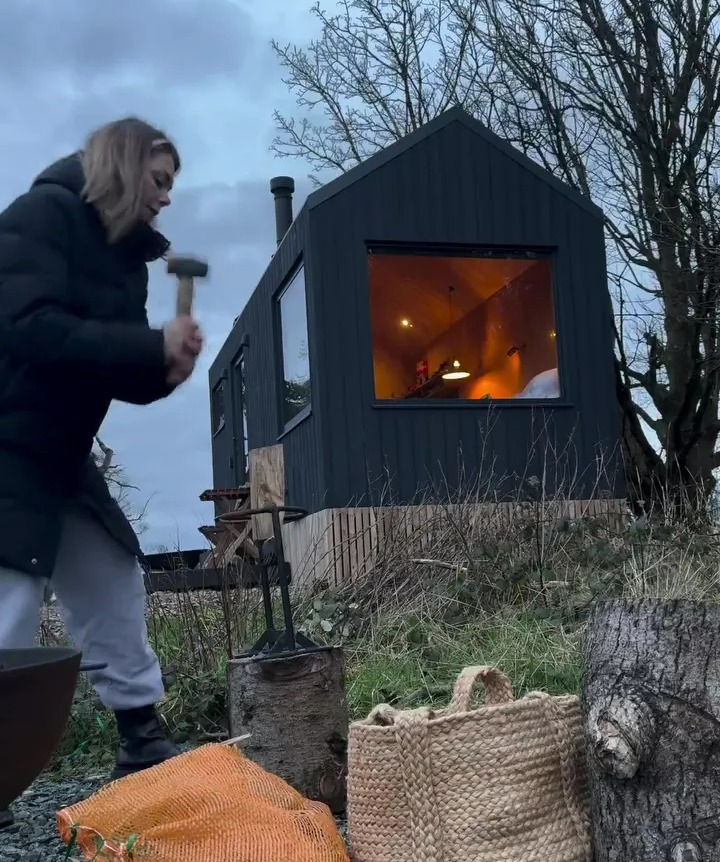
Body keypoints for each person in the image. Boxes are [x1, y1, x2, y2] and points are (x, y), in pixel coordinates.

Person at [0, 118, 203, 825]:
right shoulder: (39, 215)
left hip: (61, 452)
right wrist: (147, 344)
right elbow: (29, 327)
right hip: (5, 443)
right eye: (160, 179)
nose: (167, 198)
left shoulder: (127, 259)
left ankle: (141, 740)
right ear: (122, 164)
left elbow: (115, 366)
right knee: (9, 606)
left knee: (112, 577)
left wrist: (165, 367)